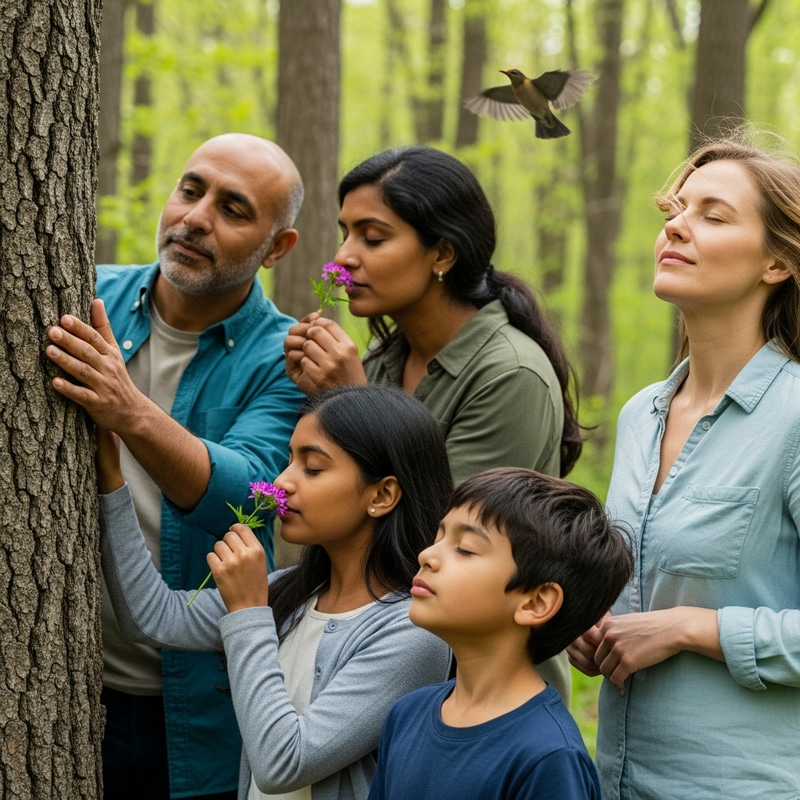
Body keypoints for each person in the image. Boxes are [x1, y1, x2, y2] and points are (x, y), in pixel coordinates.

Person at [45, 133, 306, 799]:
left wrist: (126, 408)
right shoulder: (84, 296)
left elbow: (242, 493)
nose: (196, 217)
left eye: (234, 209)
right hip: (52, 682)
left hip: (197, 709)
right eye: (191, 190)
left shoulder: (285, 360)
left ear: (277, 248)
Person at [284, 145, 582, 702]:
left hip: (482, 694)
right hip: (377, 672)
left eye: (373, 237)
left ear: (441, 252)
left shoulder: (510, 374)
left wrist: (353, 405)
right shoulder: (383, 362)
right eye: (344, 232)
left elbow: (445, 544)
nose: (345, 256)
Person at [567, 135, 800, 799]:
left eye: (712, 215)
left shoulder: (794, 416)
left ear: (776, 262)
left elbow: (681, 619)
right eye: (677, 208)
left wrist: (693, 629)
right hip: (616, 782)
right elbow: (646, 594)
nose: (675, 224)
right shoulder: (643, 414)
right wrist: (596, 629)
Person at [97, 385, 453, 800]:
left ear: (382, 495)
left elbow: (283, 763)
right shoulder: (292, 591)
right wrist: (111, 483)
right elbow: (150, 616)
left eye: (313, 468)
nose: (282, 482)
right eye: (289, 460)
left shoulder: (413, 631)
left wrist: (247, 611)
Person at [367, 467, 632, 800]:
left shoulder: (548, 757)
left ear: (536, 603)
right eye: (439, 537)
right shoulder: (405, 715)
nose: (427, 556)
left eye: (464, 548)